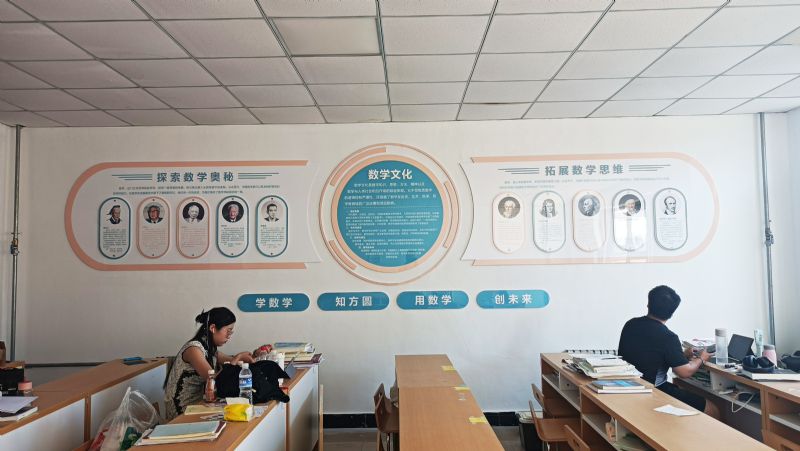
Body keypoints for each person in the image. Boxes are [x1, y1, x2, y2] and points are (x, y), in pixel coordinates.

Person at [618, 286, 720, 418]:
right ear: (672, 313)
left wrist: (683, 355)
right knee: (713, 410)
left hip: (629, 386)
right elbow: (684, 372)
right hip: (653, 390)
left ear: (648, 304)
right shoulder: (668, 337)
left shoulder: (631, 324)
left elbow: (650, 356)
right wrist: (702, 358)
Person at [164, 307, 258, 420]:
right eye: (228, 331)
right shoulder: (194, 350)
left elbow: (233, 361)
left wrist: (254, 356)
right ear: (213, 328)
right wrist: (238, 357)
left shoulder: (209, 348)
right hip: (182, 409)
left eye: (231, 332)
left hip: (200, 403)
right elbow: (215, 381)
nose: (229, 336)